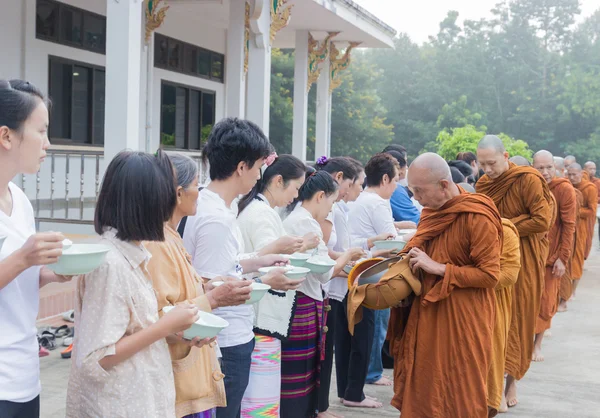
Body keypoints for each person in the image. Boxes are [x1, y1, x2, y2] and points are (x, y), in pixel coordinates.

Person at [66, 150, 204, 417]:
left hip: (140, 400)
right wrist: (166, 325)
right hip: (119, 405)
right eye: (163, 198)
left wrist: (178, 331)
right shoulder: (110, 263)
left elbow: (131, 330)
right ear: (145, 203)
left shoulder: (131, 254)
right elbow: (98, 357)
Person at [181, 118, 300, 418]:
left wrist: (258, 261)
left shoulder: (211, 203)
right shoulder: (216, 218)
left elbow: (219, 268)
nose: (260, 174)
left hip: (224, 338)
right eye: (259, 166)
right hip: (226, 341)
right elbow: (213, 287)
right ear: (242, 167)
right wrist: (265, 279)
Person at [387, 153, 501, 417]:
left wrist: (438, 268)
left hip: (463, 318)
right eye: (412, 190)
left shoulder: (477, 215)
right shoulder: (431, 214)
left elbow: (489, 275)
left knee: (459, 388)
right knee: (423, 386)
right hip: (427, 316)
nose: (415, 197)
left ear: (443, 185)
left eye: (419, 190)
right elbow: (416, 254)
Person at [146, 153, 258, 418]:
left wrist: (210, 291)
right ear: (178, 193)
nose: (200, 192)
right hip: (182, 370)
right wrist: (214, 297)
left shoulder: (171, 236)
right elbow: (161, 314)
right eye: (196, 185)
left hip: (194, 361)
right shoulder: (158, 243)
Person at [0, 79, 68, 418]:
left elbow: (20, 276)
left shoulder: (20, 201)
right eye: (40, 131)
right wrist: (24, 257)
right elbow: (15, 263)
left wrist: (51, 271)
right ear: (6, 136)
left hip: (24, 373)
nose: (48, 143)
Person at [237, 154, 318, 417]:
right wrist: (302, 246)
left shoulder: (262, 210)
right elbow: (265, 260)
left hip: (259, 313)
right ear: (278, 180)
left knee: (260, 396)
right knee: (261, 399)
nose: (296, 195)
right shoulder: (261, 213)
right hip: (262, 315)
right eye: (295, 188)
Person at [476, 135, 554, 408]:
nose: (488, 170)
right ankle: (491, 382)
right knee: (494, 321)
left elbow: (542, 220)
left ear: (506, 156)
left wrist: (507, 226)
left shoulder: (528, 179)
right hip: (494, 259)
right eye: (482, 164)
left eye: (492, 163)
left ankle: (511, 382)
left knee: (519, 320)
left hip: (526, 259)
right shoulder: (483, 184)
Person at [281, 171, 363, 418]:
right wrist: (348, 256)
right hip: (302, 301)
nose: (330, 210)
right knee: (301, 373)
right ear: (319, 197)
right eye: (331, 203)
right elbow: (324, 273)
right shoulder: (307, 223)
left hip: (299, 300)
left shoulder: (295, 217)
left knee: (299, 372)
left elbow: (321, 260)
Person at [330, 164, 391, 411]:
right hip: (351, 278)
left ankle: (349, 390)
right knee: (360, 337)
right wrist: (367, 252)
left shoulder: (343, 207)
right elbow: (333, 250)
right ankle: (353, 392)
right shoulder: (333, 209)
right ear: (340, 179)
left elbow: (346, 244)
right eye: (357, 183)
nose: (359, 188)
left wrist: (369, 244)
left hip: (347, 278)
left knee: (347, 338)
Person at [349, 153, 399, 387]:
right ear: (386, 178)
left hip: (360, 266)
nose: (397, 186)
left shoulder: (361, 198)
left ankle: (372, 370)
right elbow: (392, 240)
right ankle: (372, 372)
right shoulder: (378, 202)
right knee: (377, 324)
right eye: (396, 180)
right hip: (375, 268)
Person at [532, 151, 576, 363]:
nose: (545, 172)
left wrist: (562, 258)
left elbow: (569, 226)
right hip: (531, 257)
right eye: (540, 168)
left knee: (546, 302)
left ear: (556, 168)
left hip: (551, 257)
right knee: (527, 303)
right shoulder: (530, 187)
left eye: (548, 167)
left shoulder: (564, 189)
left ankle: (537, 345)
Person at [488, 218, 520, 415]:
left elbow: (541, 221)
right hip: (457, 294)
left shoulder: (504, 230)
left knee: (497, 340)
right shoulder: (441, 218)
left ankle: (502, 388)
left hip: (497, 292)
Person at [567, 163, 598, 298]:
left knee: (577, 259)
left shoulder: (589, 188)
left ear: (581, 174)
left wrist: (574, 211)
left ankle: (573, 290)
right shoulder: (566, 186)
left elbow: (592, 210)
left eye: (575, 174)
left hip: (580, 228)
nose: (572, 177)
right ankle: (564, 290)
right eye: (570, 174)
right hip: (566, 227)